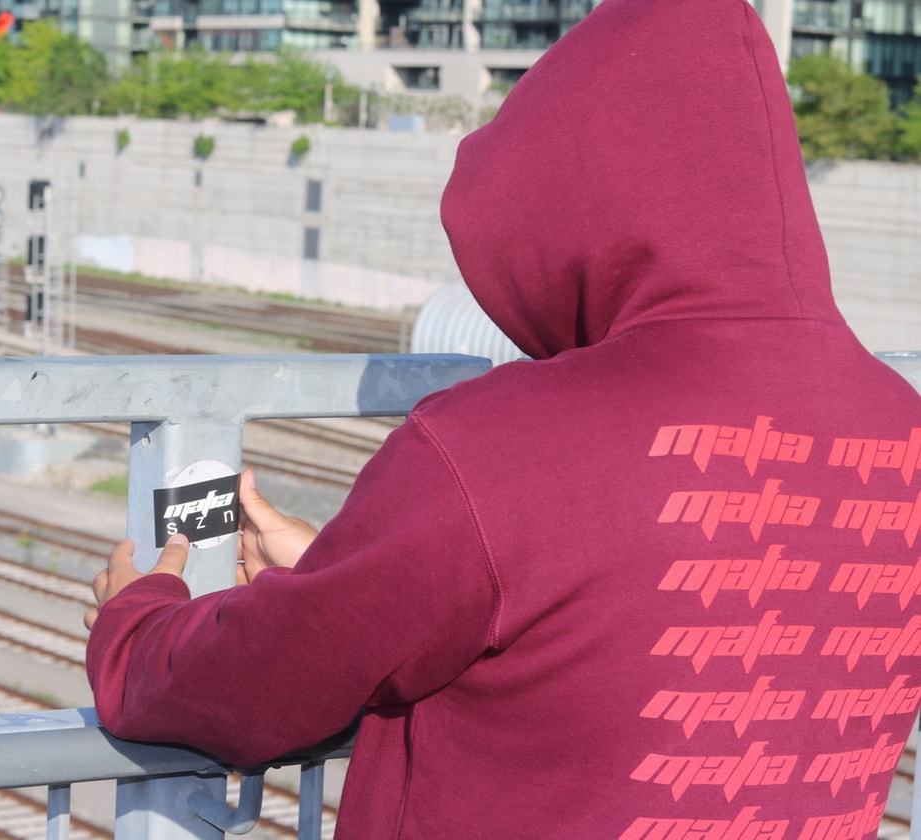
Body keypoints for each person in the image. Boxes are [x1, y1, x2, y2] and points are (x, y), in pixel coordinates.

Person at [84, 0, 921, 836]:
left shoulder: (503, 448)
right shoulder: (902, 429)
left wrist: (139, 622)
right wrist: (354, 574)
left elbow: (257, 685)